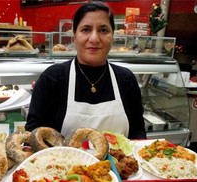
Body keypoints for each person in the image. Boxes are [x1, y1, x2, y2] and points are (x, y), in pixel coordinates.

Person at [25, 1, 146, 139]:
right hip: (63, 160)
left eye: (103, 30)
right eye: (86, 29)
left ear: (112, 37)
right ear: (75, 36)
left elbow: (138, 131)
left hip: (120, 160)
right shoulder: (52, 78)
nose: (94, 38)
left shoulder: (126, 79)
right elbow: (34, 134)